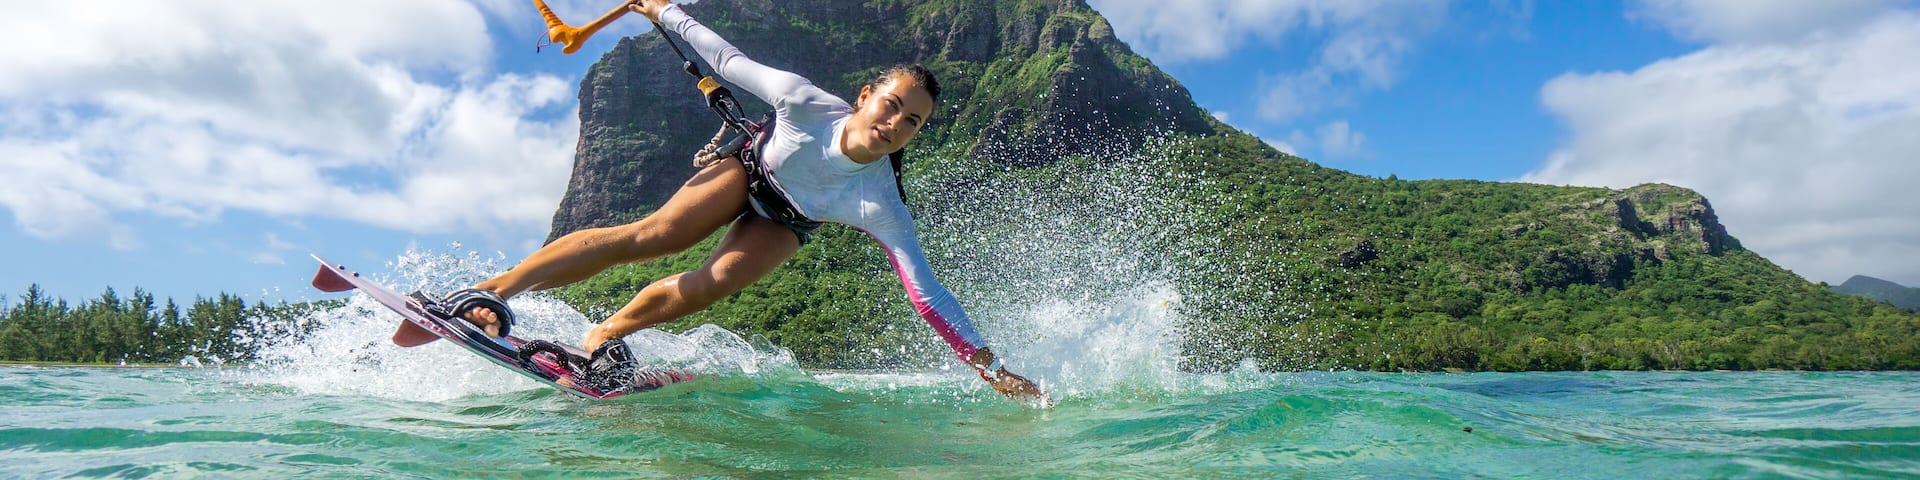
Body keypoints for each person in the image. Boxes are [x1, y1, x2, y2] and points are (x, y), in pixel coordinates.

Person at [406, 0, 1048, 404]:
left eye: (912, 122)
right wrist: (664, 11)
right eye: (892, 105)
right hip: (748, 169)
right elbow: (726, 58)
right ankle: (492, 295)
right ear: (864, 96)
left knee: (708, 285)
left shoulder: (881, 203)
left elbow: (927, 292)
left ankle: (604, 336)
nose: (895, 123)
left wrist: (986, 365)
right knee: (656, 236)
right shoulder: (800, 100)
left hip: (791, 218)